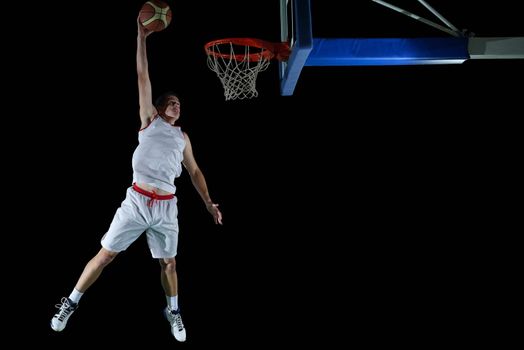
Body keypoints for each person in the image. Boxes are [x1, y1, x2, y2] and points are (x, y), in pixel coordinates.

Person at [50, 17, 223, 342]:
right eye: (171, 102)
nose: (177, 105)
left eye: (179, 103)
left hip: (166, 207)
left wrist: (208, 203)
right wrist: (142, 37)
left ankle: (173, 311)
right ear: (158, 108)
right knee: (105, 255)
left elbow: (195, 172)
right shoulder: (149, 120)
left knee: (169, 264)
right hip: (137, 201)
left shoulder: (182, 137)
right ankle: (70, 303)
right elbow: (143, 75)